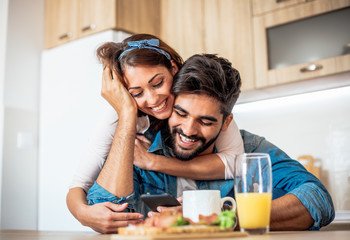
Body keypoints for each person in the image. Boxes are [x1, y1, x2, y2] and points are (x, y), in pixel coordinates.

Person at [87, 54, 335, 232]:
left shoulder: (250, 149)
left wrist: (213, 217)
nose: (188, 130)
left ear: (226, 123)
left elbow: (317, 200)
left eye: (205, 121)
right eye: (181, 113)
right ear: (170, 103)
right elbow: (105, 212)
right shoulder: (140, 148)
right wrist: (127, 114)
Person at [66, 34, 244, 233]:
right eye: (137, 93)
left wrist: (151, 161)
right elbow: (80, 184)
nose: (152, 99)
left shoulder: (199, 97)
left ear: (174, 69)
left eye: (158, 83)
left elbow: (235, 162)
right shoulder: (122, 112)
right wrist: (82, 213)